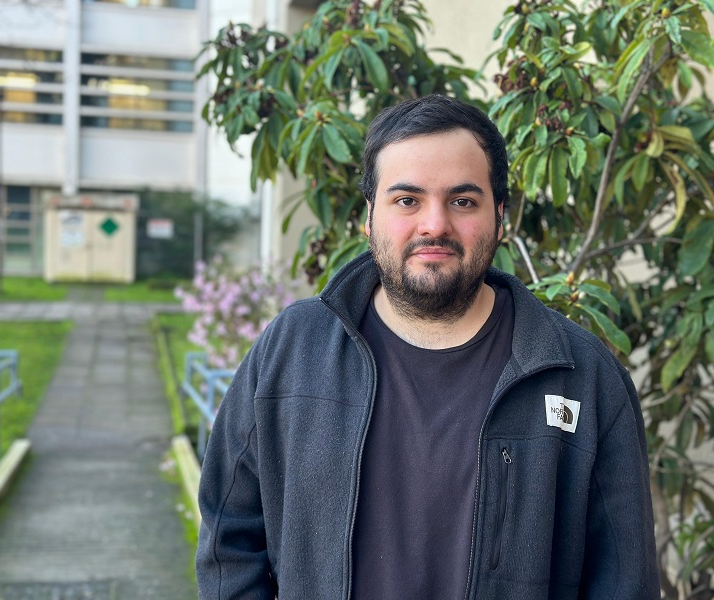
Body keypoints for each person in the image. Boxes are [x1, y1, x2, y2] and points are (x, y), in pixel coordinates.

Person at [196, 94, 660, 599]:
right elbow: (229, 542)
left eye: (462, 201)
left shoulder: (583, 378)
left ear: (500, 215)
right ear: (369, 216)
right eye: (407, 200)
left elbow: (624, 581)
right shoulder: (291, 352)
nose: (434, 225)